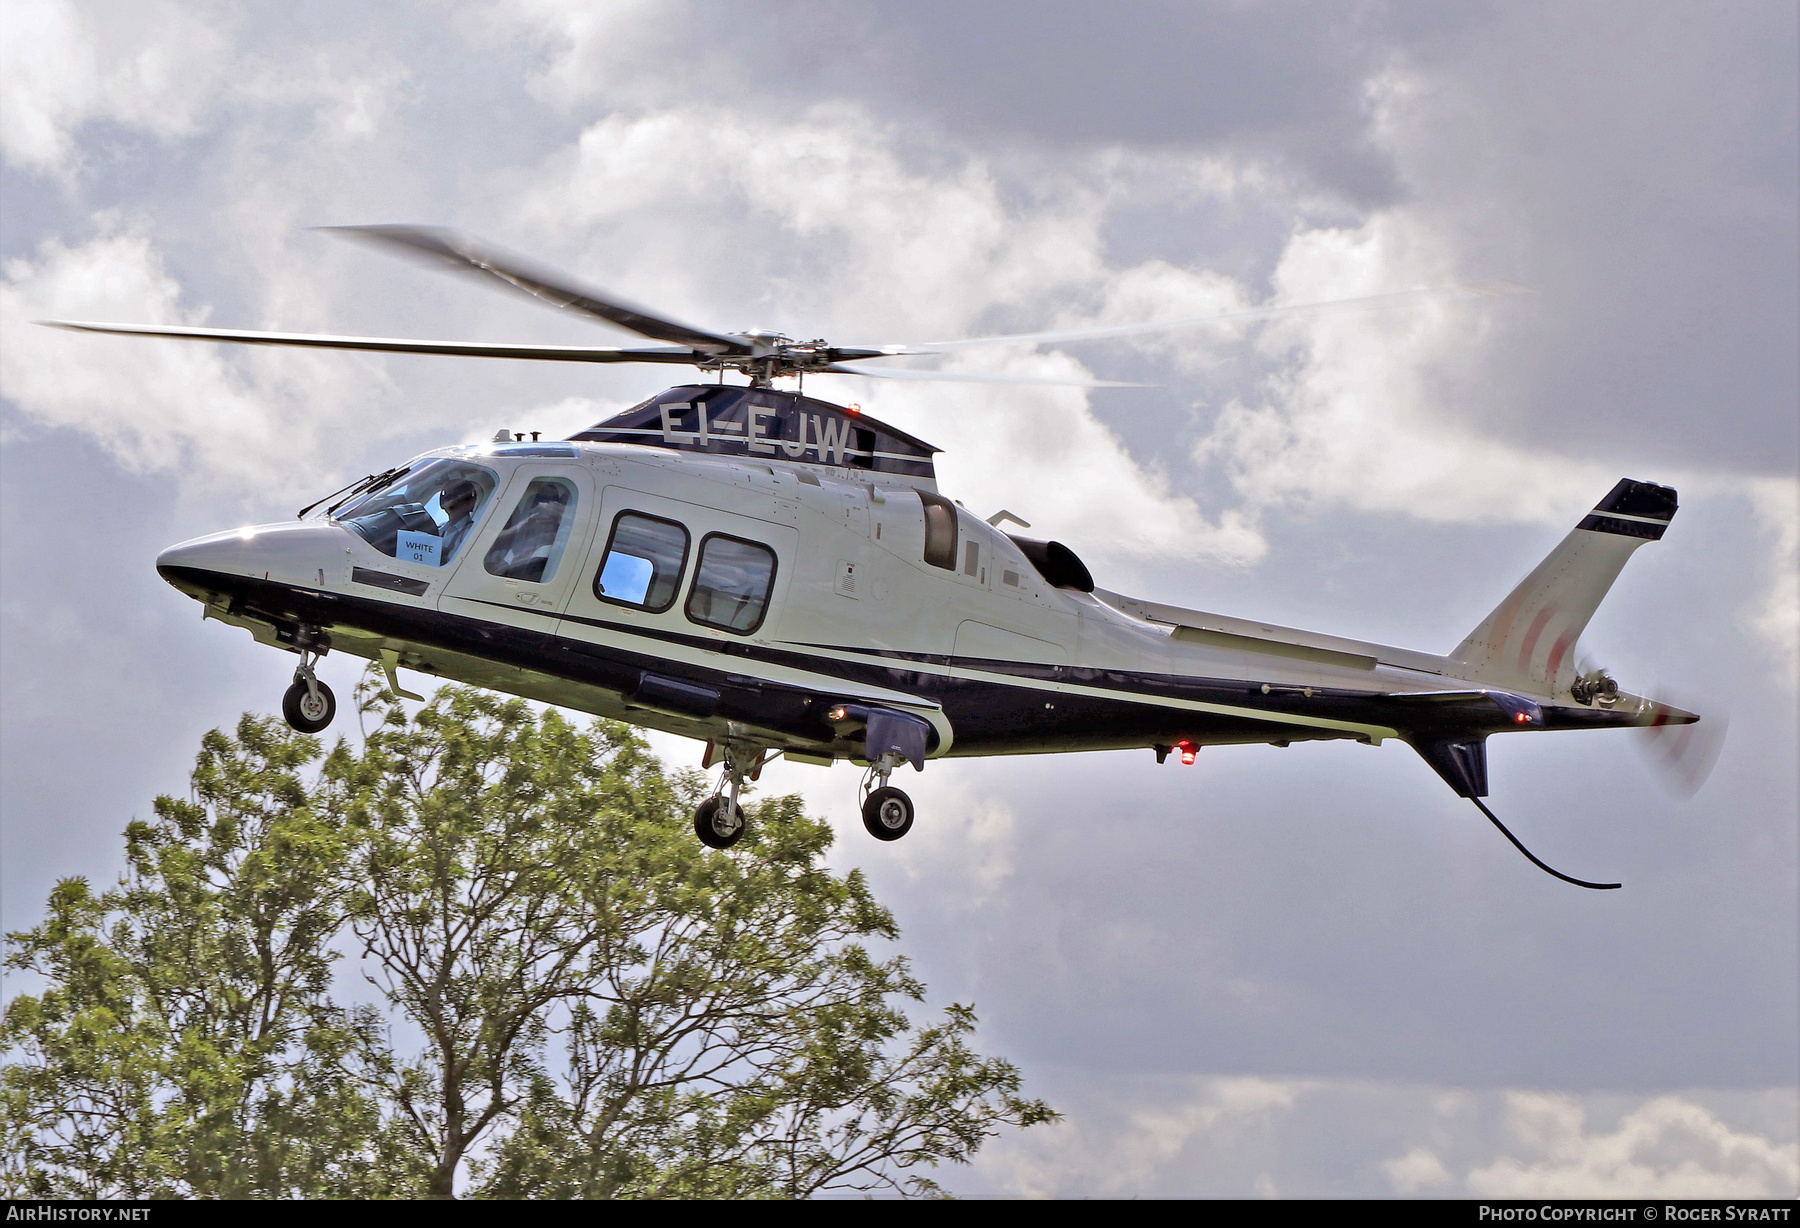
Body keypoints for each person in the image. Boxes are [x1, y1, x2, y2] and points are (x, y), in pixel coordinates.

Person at [436, 479, 482, 562]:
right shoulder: (440, 529)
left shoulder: (473, 534)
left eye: (456, 496)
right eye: (448, 496)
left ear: (470, 501)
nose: (451, 501)